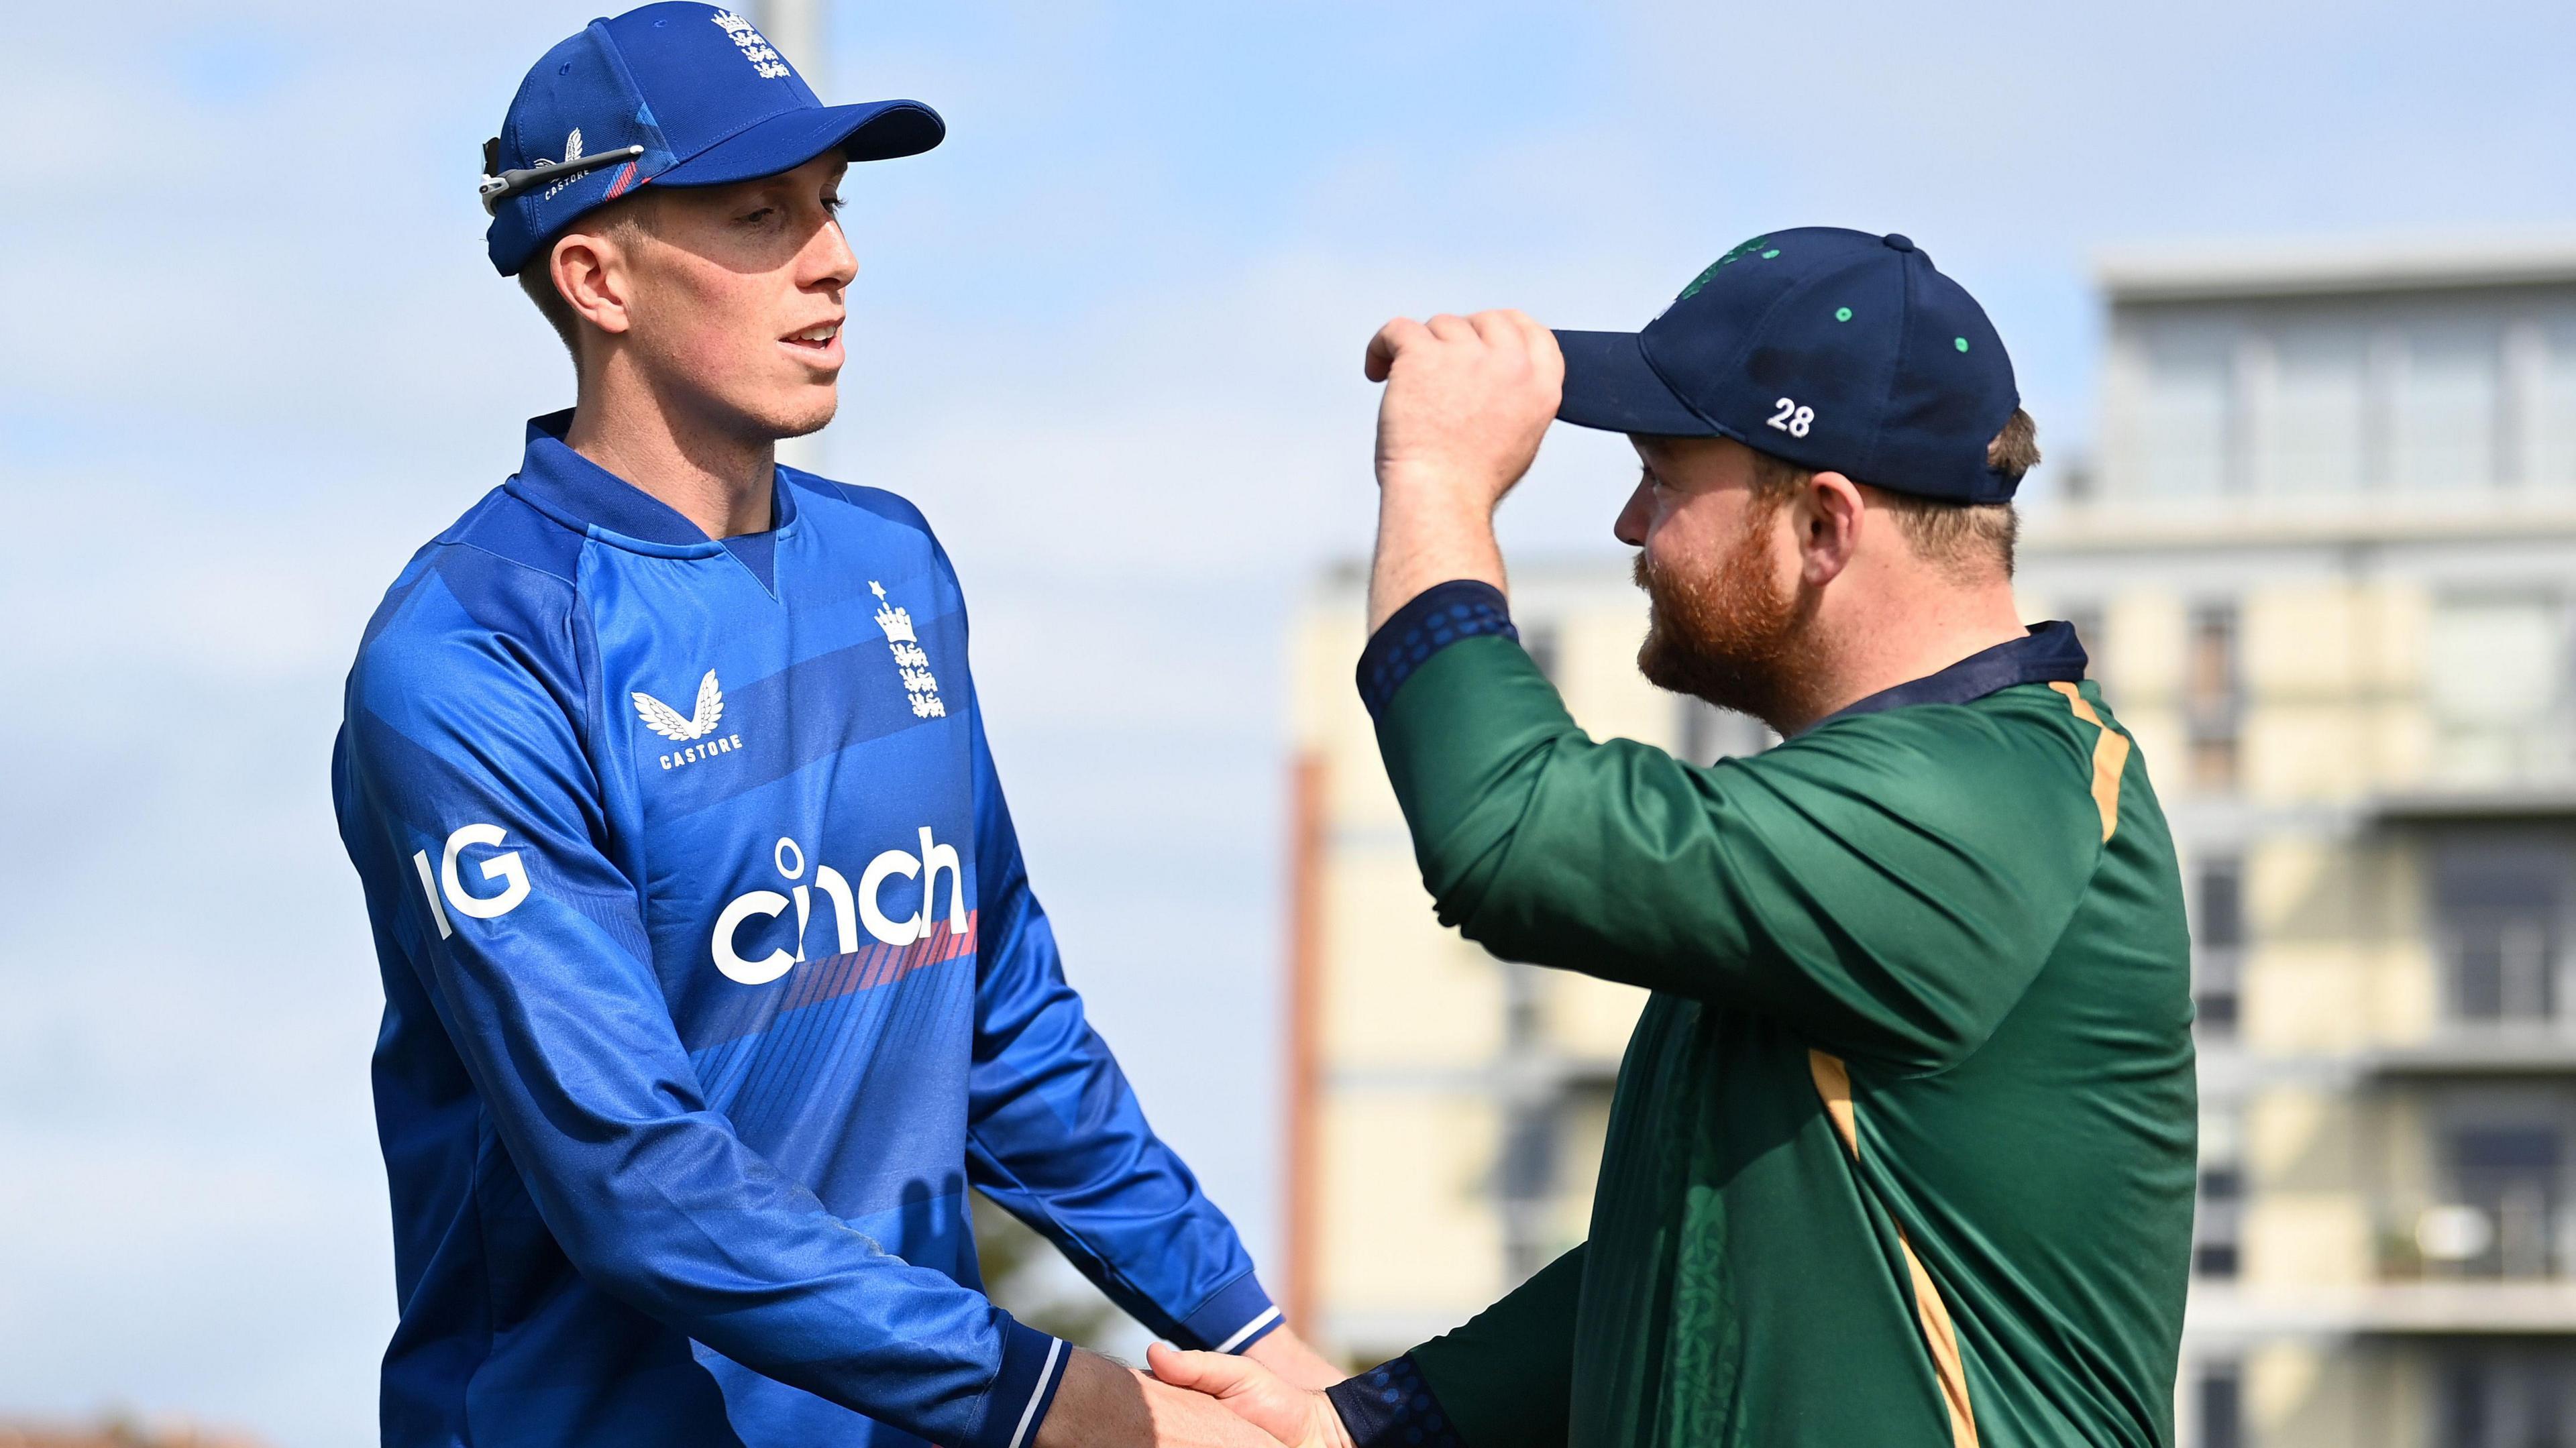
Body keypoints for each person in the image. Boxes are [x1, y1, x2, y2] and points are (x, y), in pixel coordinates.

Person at [330, 7, 1334, 1447]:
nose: (837, 260)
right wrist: (1081, 1410)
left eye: (833, 207)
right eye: (761, 215)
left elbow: (1004, 1024)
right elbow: (639, 1181)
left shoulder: (894, 564)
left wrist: (1251, 1336)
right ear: (594, 276)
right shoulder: (474, 652)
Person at [1152, 229, 2196, 1446]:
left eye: (1662, 474)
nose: (1629, 522)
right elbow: (1706, 1225)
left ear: (1825, 527)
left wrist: (1438, 486)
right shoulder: (1885, 812)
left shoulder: (1996, 797)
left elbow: (1514, 831)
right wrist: (1371, 1424)